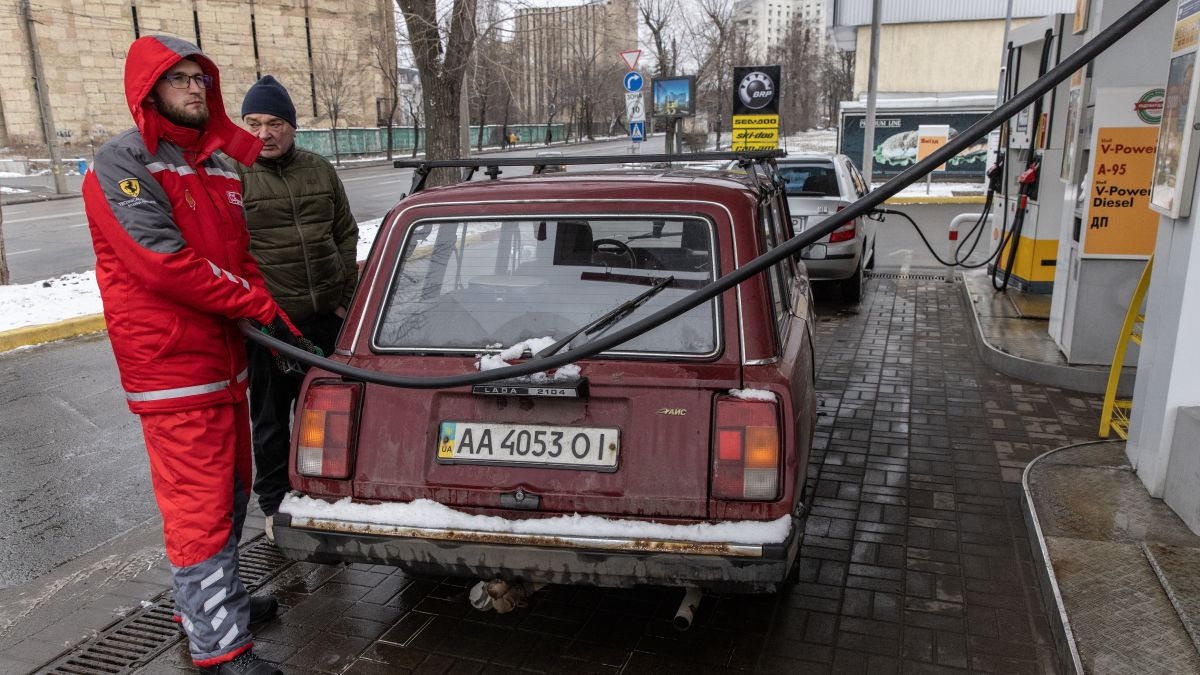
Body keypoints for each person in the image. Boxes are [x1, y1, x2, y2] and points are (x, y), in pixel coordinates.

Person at [82, 35, 303, 675]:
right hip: (173, 370)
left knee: (233, 494)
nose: (195, 88)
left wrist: (275, 318)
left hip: (225, 361)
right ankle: (220, 649)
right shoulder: (123, 163)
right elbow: (165, 265)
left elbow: (241, 262)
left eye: (200, 78)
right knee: (200, 508)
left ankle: (212, 605)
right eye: (178, 79)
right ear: (149, 91)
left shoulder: (215, 165)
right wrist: (253, 306)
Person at [237, 75, 359, 541]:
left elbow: (345, 233)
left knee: (332, 414)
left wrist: (343, 298)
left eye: (274, 123)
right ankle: (275, 504)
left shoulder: (319, 170)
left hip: (326, 320)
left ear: (292, 126)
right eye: (253, 123)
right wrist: (253, 312)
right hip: (269, 326)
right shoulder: (230, 175)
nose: (263, 134)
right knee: (270, 422)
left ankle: (332, 496)